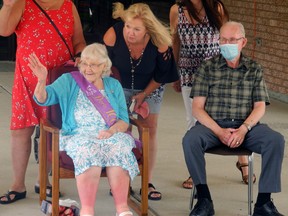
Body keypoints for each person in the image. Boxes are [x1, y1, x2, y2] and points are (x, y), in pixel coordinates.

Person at [182, 21, 285, 216]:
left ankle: (263, 203)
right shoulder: (207, 67)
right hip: (213, 127)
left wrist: (244, 129)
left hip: (247, 127)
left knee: (275, 140)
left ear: (243, 42)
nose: (226, 44)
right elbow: (197, 108)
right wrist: (219, 131)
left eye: (232, 40)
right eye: (223, 39)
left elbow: (259, 106)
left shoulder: (254, 69)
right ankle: (204, 200)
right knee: (190, 140)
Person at [29, 43, 138, 216]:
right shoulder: (69, 81)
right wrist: (42, 81)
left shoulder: (113, 85)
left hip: (109, 134)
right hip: (78, 134)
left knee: (121, 147)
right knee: (88, 150)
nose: (87, 69)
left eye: (93, 65)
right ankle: (87, 211)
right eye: (85, 63)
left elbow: (123, 120)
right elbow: (44, 98)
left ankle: (122, 209)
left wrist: (111, 131)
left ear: (104, 66)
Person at [0, 0, 86, 204]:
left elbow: (79, 41)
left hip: (58, 80)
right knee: (21, 131)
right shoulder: (22, 3)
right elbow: (4, 30)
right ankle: (17, 185)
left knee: (51, 131)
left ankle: (44, 181)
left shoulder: (68, 6)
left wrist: (82, 56)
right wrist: (8, 6)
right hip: (27, 79)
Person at [169, 0, 255, 189]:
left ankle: (244, 162)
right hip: (189, 70)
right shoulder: (177, 10)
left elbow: (230, 37)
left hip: (217, 71)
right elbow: (176, 41)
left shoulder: (216, 7)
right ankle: (195, 173)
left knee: (233, 114)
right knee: (193, 120)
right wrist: (175, 71)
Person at [103, 2, 178, 201]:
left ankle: (147, 181)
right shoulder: (112, 34)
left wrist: (144, 94)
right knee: (122, 130)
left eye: (137, 29)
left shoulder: (159, 41)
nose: (130, 32)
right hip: (119, 86)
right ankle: (121, 179)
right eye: (128, 26)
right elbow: (104, 69)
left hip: (151, 86)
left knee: (149, 130)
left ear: (148, 29)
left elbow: (162, 75)